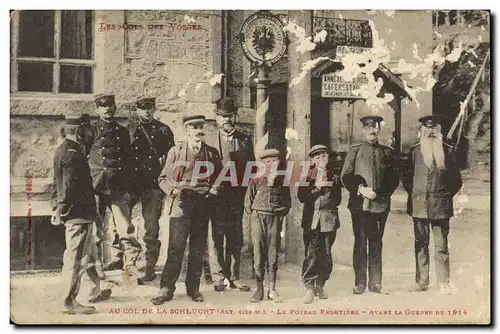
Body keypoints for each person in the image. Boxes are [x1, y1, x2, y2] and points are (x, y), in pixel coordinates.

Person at [152, 115, 222, 305]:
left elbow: (220, 176)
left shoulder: (212, 153)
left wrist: (214, 189)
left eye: (201, 127)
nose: (199, 131)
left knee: (198, 249)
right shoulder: (176, 152)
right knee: (176, 247)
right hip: (181, 205)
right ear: (187, 131)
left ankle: (194, 289)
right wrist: (173, 191)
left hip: (203, 205)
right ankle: (166, 289)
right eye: (194, 128)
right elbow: (162, 179)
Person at [52, 115, 112, 315]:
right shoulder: (73, 154)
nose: (89, 134)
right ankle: (68, 302)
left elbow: (58, 184)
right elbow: (67, 187)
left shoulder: (63, 151)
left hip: (77, 214)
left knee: (77, 257)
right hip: (79, 214)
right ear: (78, 132)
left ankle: (74, 297)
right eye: (85, 130)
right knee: (76, 259)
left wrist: (58, 208)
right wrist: (62, 210)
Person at [401, 115, 462, 295]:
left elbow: (456, 180)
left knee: (441, 245)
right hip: (419, 205)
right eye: (428, 130)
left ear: (439, 130)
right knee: (421, 244)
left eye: (434, 129)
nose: (431, 133)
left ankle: (443, 282)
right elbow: (406, 178)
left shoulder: (448, 151)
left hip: (441, 206)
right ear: (423, 131)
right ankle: (421, 281)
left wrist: (443, 195)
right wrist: (416, 194)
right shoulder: (414, 151)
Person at [340, 115, 400, 294]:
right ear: (363, 130)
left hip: (380, 206)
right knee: (360, 243)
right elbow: (346, 176)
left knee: (376, 243)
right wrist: (360, 189)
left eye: (375, 127)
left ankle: (375, 282)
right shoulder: (355, 150)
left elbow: (394, 178)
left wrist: (382, 196)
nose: (372, 130)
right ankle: (359, 282)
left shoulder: (387, 152)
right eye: (368, 127)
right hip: (360, 206)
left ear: (379, 129)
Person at [88, 94, 142, 277]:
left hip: (117, 184)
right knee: (96, 227)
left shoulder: (122, 131)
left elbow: (127, 159)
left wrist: (129, 184)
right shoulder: (90, 130)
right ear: (97, 110)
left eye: (110, 106)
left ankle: (131, 263)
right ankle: (96, 266)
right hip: (95, 184)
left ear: (115, 108)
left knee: (125, 226)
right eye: (103, 107)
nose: (107, 110)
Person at [127, 96, 175, 285]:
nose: (146, 112)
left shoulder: (163, 130)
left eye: (149, 109)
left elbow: (172, 160)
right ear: (137, 110)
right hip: (132, 185)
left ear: (154, 109)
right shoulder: (130, 130)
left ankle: (149, 267)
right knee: (124, 226)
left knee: (151, 228)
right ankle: (128, 264)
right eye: (142, 109)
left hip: (153, 185)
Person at [210, 97, 254, 292]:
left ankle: (234, 276)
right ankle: (218, 277)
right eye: (222, 116)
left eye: (229, 116)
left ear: (235, 116)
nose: (226, 120)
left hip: (237, 196)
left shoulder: (245, 139)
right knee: (217, 236)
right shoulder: (209, 139)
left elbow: (251, 168)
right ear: (216, 117)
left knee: (236, 236)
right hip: (216, 197)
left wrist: (247, 194)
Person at [245, 149, 291, 303]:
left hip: (275, 220)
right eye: (267, 162)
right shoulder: (255, 180)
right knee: (258, 254)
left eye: (274, 161)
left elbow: (287, 203)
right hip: (258, 218)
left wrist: (277, 214)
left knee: (272, 254)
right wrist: (256, 218)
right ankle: (259, 290)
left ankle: (272, 289)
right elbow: (248, 204)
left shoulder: (283, 181)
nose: (271, 165)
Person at [298, 145, 342, 304]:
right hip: (312, 220)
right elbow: (302, 197)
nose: (321, 160)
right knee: (312, 254)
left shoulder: (335, 176)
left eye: (324, 156)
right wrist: (318, 189)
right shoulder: (307, 176)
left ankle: (320, 284)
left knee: (326, 255)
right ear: (312, 160)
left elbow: (338, 199)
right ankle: (309, 286)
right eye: (317, 157)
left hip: (329, 220)